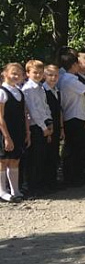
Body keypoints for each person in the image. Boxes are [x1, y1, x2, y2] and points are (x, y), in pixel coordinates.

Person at [60, 52, 85, 186]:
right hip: (74, 116)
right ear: (73, 65)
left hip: (77, 116)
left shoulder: (67, 79)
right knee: (75, 149)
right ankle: (73, 177)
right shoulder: (71, 80)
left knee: (79, 148)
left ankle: (77, 175)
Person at [22, 60, 52, 197]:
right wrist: (43, 127)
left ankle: (40, 184)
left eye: (40, 72)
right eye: (35, 72)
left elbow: (45, 107)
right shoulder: (28, 89)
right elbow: (32, 111)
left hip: (44, 125)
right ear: (28, 73)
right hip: (35, 126)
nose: (38, 75)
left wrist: (49, 122)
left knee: (42, 157)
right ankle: (32, 187)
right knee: (34, 158)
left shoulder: (40, 88)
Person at [0, 63, 29, 202]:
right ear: (5, 74)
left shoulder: (19, 92)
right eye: (13, 73)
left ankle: (15, 190)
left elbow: (24, 113)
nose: (16, 76)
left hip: (18, 130)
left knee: (15, 160)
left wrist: (27, 132)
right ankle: (2, 191)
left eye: (19, 74)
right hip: (5, 131)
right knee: (3, 160)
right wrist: (6, 137)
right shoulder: (2, 92)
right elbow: (0, 116)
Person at [42, 64, 63, 191]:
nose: (53, 78)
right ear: (44, 76)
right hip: (47, 127)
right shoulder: (43, 90)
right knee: (47, 155)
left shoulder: (56, 90)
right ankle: (46, 183)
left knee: (54, 153)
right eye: (50, 75)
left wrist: (61, 127)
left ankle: (53, 181)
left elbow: (59, 110)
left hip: (56, 126)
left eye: (56, 75)